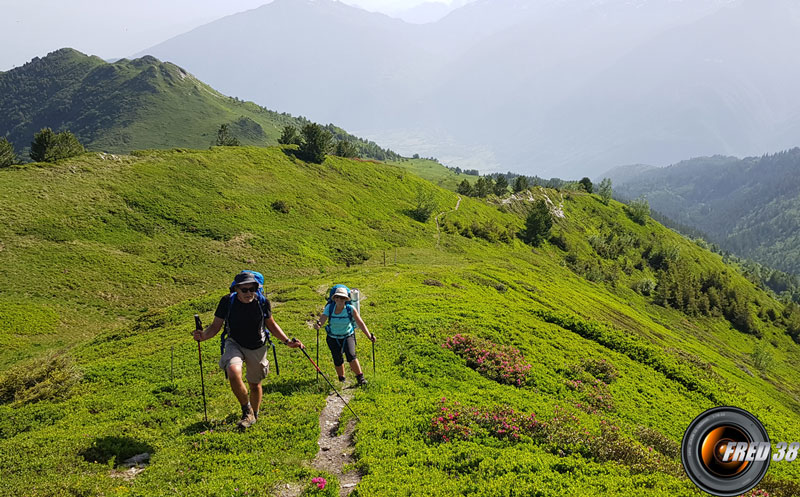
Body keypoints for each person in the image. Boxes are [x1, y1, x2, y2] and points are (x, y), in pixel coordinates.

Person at [193, 271, 304, 429]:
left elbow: (271, 324)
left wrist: (287, 341)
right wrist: (203, 336)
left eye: (252, 289)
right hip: (234, 342)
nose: (249, 293)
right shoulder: (227, 301)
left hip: (257, 345)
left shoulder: (262, 302)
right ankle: (247, 410)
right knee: (233, 371)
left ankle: (254, 414)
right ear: (236, 289)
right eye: (244, 290)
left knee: (255, 385)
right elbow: (215, 326)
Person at [313, 286, 375, 386]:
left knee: (351, 356)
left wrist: (369, 336)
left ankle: (360, 378)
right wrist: (318, 324)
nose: (340, 300)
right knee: (337, 358)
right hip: (333, 337)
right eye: (338, 297)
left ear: (346, 299)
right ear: (335, 298)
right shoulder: (330, 308)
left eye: (342, 298)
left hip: (348, 335)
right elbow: (323, 318)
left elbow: (360, 323)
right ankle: (341, 379)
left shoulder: (350, 309)